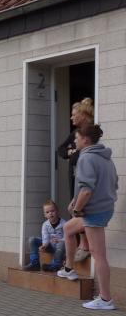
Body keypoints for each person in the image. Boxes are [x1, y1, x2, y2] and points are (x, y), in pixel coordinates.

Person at [56, 123, 118, 310]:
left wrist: (77, 209)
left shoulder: (86, 157)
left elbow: (87, 190)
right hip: (104, 208)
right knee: (68, 228)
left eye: (76, 138)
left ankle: (105, 299)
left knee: (99, 255)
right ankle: (69, 268)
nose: (74, 141)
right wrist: (75, 201)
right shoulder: (105, 158)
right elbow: (111, 184)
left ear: (85, 139)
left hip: (94, 212)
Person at [57, 97, 95, 262]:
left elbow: (84, 153)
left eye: (74, 114)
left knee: (81, 210)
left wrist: (74, 152)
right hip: (74, 177)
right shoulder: (75, 133)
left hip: (84, 179)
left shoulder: (90, 133)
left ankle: (85, 246)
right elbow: (61, 149)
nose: (71, 117)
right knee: (75, 209)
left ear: (83, 115)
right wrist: (71, 152)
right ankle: (83, 244)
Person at [22, 200, 65, 272]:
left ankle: (55, 265)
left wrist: (60, 240)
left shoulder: (64, 223)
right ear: (45, 215)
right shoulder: (45, 225)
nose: (50, 213)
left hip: (60, 248)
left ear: (57, 211)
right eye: (47, 212)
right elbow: (45, 237)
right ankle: (35, 263)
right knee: (32, 239)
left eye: (52, 211)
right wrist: (44, 245)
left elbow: (68, 238)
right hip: (49, 245)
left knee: (62, 244)